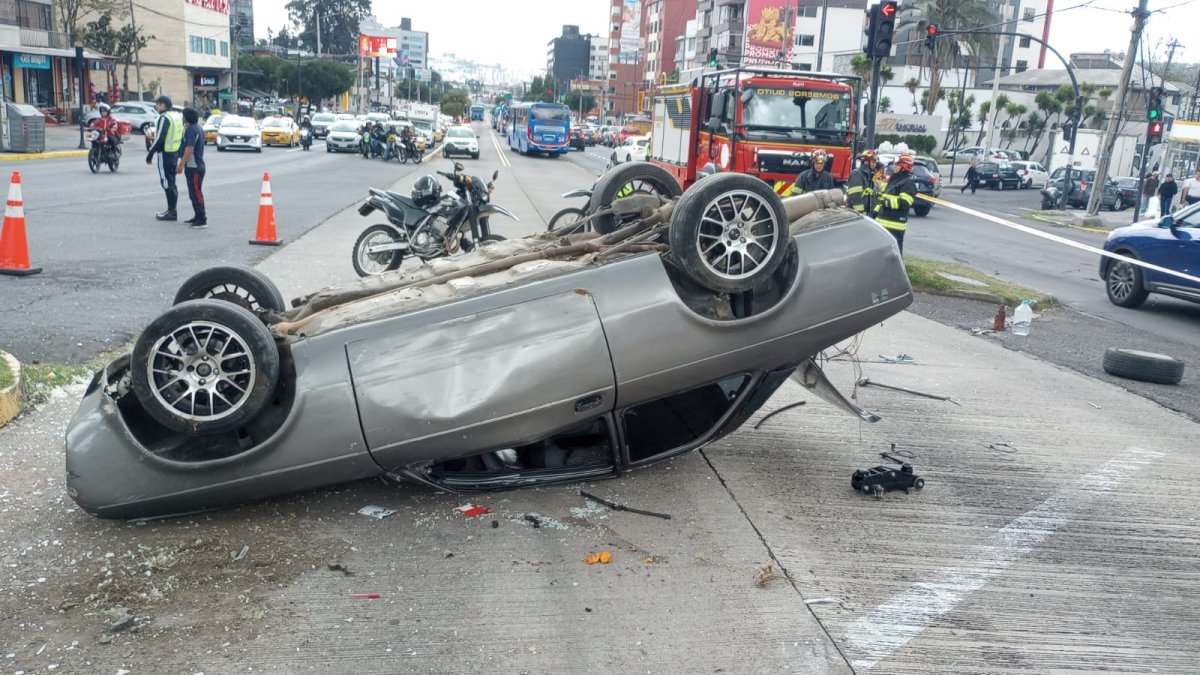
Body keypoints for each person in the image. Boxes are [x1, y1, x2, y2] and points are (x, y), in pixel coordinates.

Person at [145, 95, 184, 221]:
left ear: (163, 105)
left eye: (157, 104)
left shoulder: (164, 117)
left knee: (167, 183)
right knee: (172, 182)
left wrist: (150, 153)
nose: (156, 106)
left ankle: (171, 212)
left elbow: (160, 137)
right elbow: (180, 136)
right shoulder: (176, 116)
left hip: (165, 153)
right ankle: (172, 210)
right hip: (174, 153)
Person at [874, 154, 918, 254]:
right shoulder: (893, 181)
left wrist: (886, 203)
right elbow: (883, 199)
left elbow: (905, 203)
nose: (895, 167)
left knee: (894, 254)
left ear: (904, 167)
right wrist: (874, 213)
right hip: (883, 223)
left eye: (897, 165)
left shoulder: (907, 184)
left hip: (895, 226)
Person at [175, 108, 206, 229]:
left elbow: (189, 149)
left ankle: (202, 219)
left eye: (183, 116)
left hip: (194, 167)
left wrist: (181, 164)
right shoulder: (196, 128)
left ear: (186, 118)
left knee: (196, 193)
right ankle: (197, 216)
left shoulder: (192, 130)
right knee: (193, 193)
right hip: (194, 166)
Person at [846, 149, 878, 215]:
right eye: (873, 162)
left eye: (875, 162)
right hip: (855, 215)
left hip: (864, 216)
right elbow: (855, 197)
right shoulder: (857, 174)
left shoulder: (869, 176)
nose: (874, 165)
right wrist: (861, 214)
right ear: (866, 162)